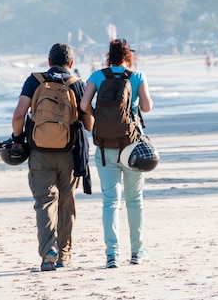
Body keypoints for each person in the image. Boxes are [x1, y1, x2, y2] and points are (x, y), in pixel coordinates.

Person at [11, 43, 94, 271]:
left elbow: (19, 115)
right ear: (71, 63)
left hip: (39, 152)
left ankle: (48, 251)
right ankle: (64, 255)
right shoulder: (78, 84)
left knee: (45, 202)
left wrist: (17, 139)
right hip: (69, 153)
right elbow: (88, 124)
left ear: (48, 61)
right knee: (67, 203)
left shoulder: (34, 80)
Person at [80, 39, 154, 269]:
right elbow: (147, 107)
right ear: (127, 56)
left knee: (110, 202)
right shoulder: (137, 76)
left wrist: (99, 116)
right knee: (134, 200)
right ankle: (137, 252)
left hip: (105, 147)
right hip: (132, 146)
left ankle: (112, 255)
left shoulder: (97, 76)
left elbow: (83, 105)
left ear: (108, 56)